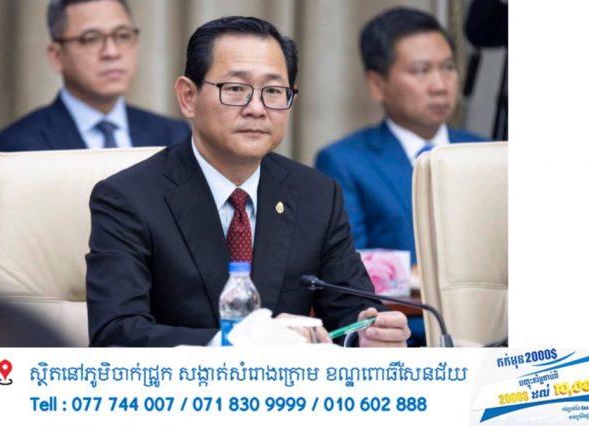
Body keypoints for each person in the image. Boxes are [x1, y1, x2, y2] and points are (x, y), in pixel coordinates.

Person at [86, 16, 410, 348]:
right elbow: (116, 334)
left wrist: (370, 335)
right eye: (236, 89)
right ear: (188, 97)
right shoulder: (128, 198)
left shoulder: (316, 196)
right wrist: (239, 343)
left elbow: (353, 313)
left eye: (273, 91)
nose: (256, 108)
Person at [315, 7, 487, 265]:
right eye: (421, 70)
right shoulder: (344, 162)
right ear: (377, 85)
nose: (440, 86)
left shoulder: (487, 152)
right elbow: (347, 264)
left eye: (448, 67)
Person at [0, 0, 189, 152]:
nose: (111, 52)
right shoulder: (18, 146)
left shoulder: (174, 136)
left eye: (122, 35)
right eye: (91, 39)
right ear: (56, 56)